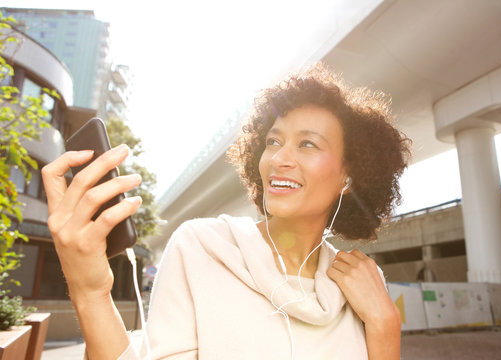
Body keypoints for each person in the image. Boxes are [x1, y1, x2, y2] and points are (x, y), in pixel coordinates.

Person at [42, 63, 410, 359]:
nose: (280, 158)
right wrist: (89, 292)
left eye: (308, 144)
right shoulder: (202, 247)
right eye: (273, 141)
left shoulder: (362, 280)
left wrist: (385, 324)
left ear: (348, 175)